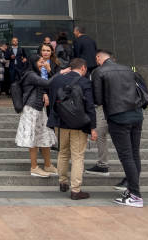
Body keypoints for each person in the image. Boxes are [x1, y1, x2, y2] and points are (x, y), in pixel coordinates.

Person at [92, 49, 145, 207]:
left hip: (117, 116)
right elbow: (141, 88)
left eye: (96, 59)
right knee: (134, 153)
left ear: (98, 58)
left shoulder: (99, 71)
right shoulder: (128, 69)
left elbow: (98, 99)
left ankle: (135, 195)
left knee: (126, 156)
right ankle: (132, 190)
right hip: (137, 115)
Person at [47, 58, 97, 200]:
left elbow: (52, 101)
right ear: (83, 68)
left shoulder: (57, 80)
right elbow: (90, 107)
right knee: (77, 156)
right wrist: (93, 127)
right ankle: (76, 190)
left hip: (60, 122)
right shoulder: (85, 82)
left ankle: (63, 182)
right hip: (79, 125)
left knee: (63, 152)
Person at [14, 55, 59, 178]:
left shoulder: (35, 74)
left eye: (44, 62)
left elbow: (45, 85)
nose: (43, 64)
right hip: (31, 109)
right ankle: (34, 167)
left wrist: (45, 93)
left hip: (39, 108)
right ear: (33, 62)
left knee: (44, 136)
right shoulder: (30, 74)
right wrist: (60, 73)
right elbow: (48, 83)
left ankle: (48, 165)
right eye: (40, 62)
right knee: (33, 138)